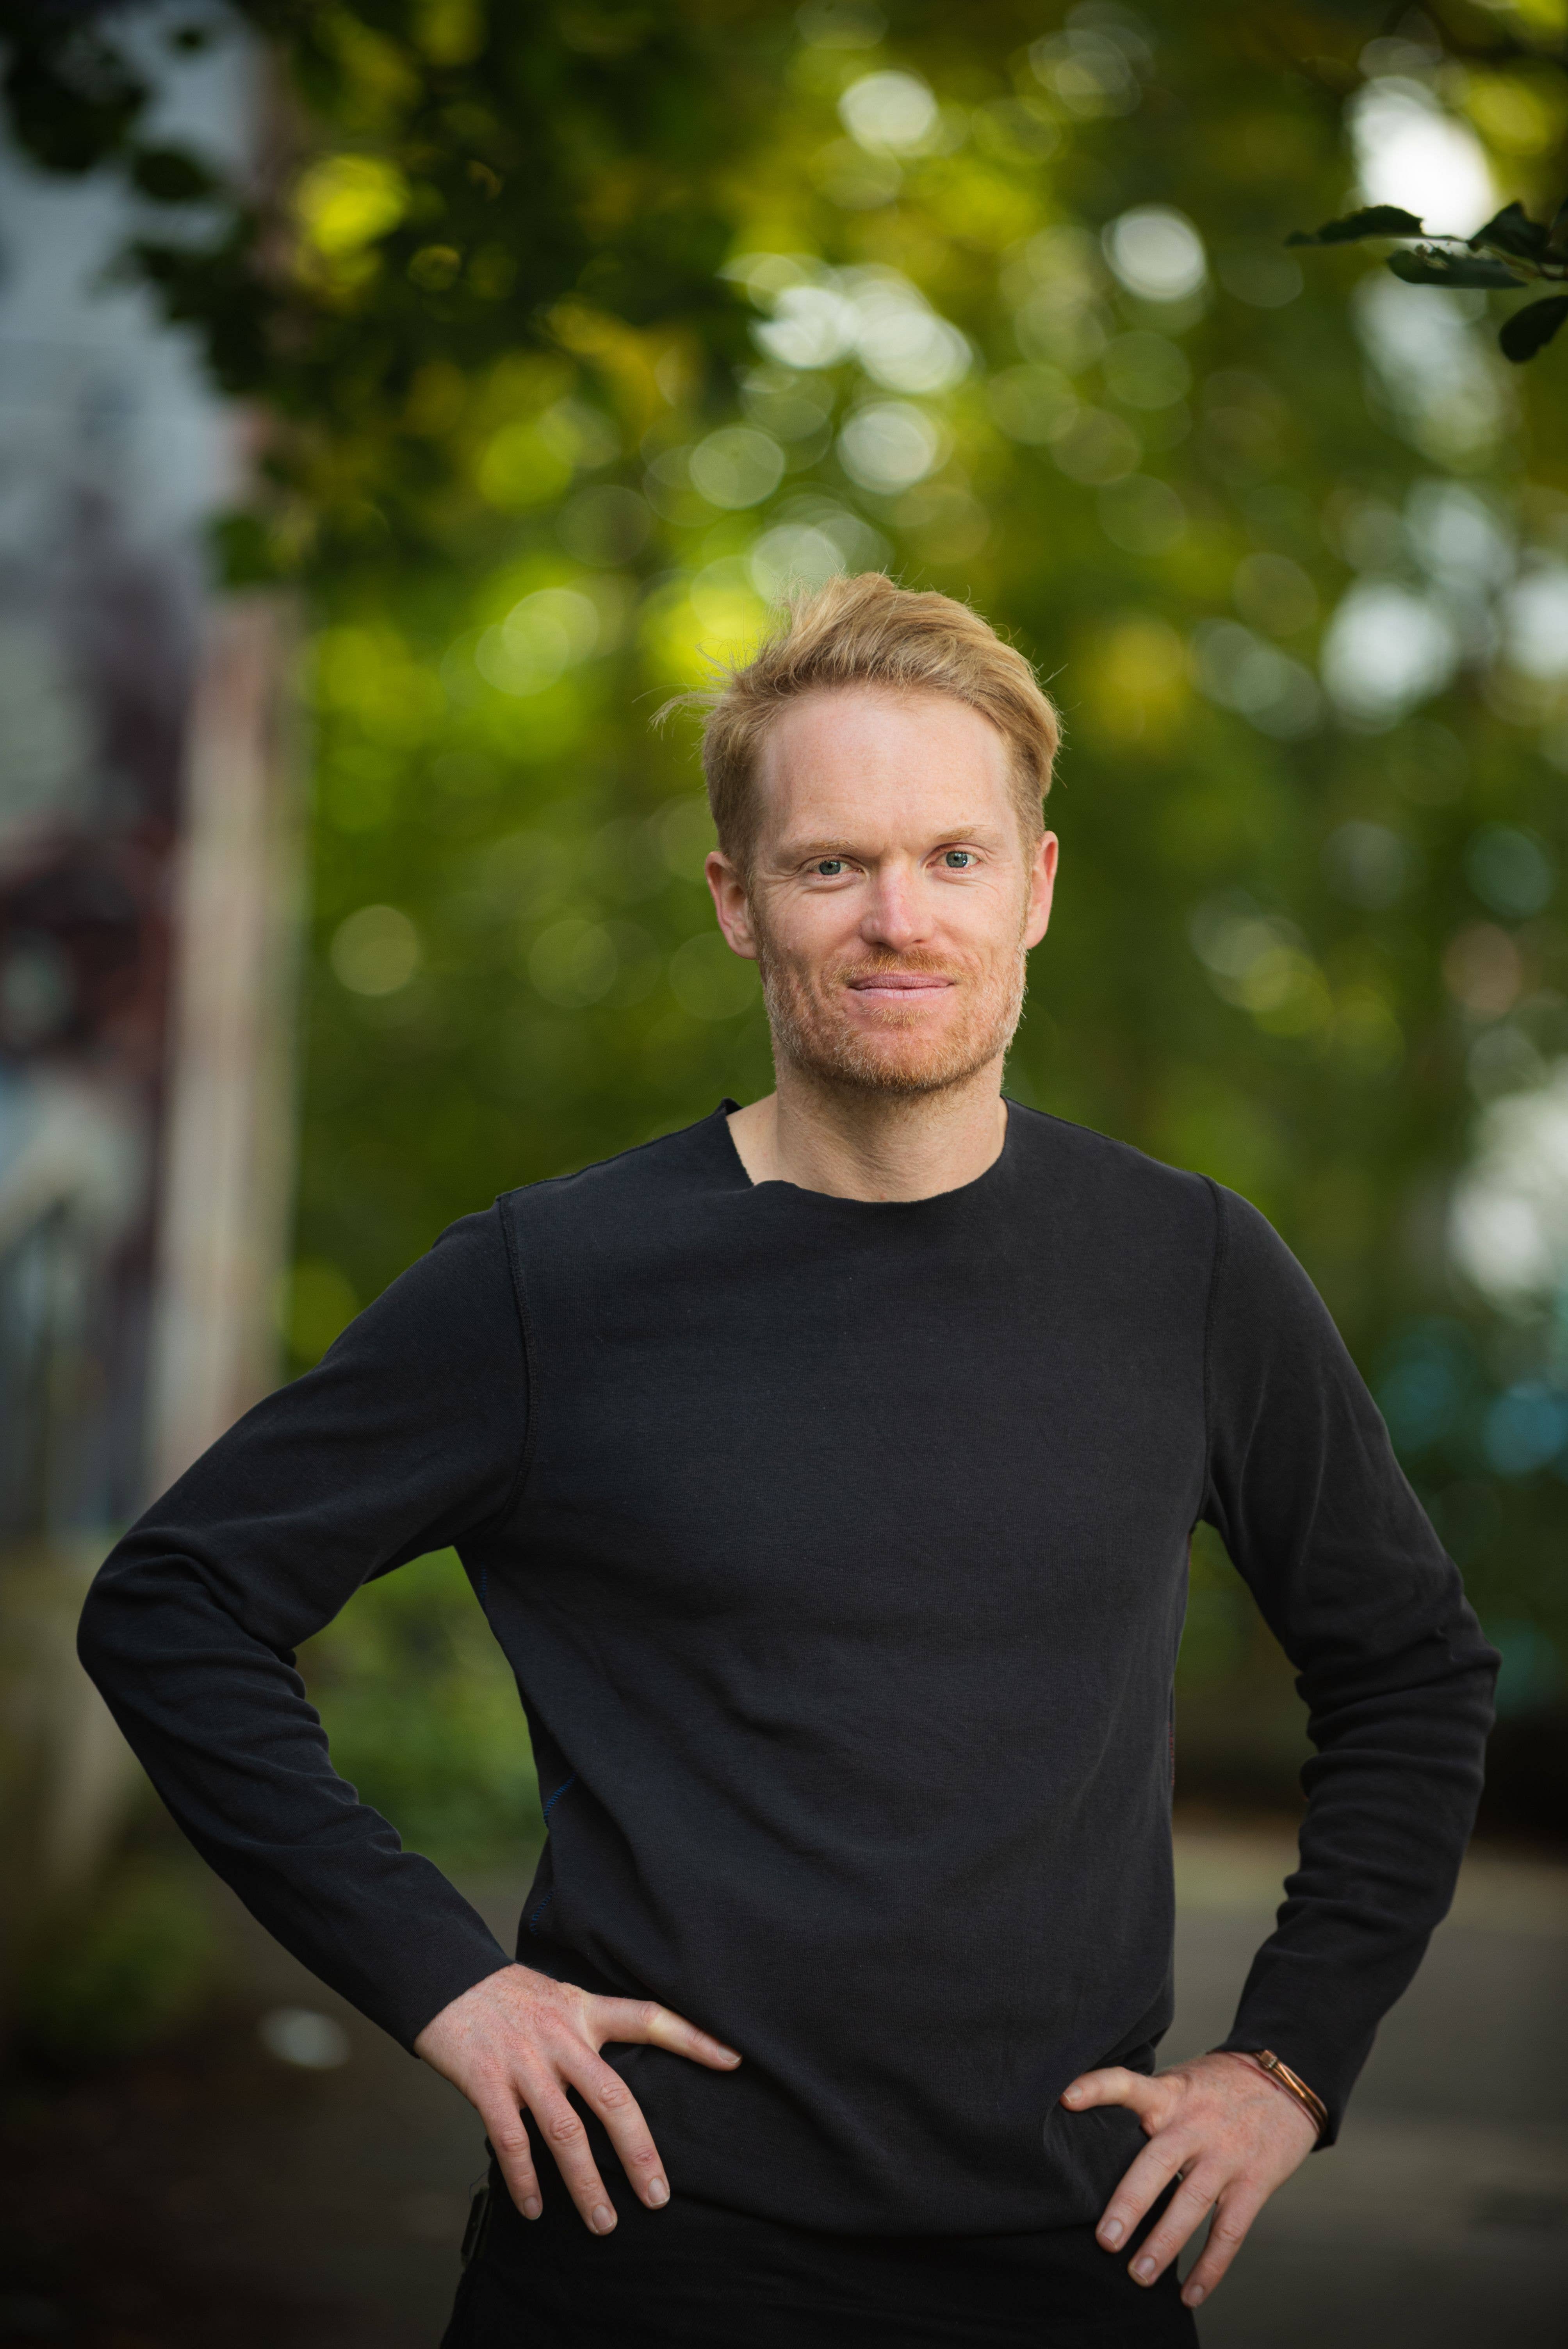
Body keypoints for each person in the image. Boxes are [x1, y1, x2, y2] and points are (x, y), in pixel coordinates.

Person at [79, 574, 1497, 2346]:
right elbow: (175, 1601)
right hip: (641, 2256)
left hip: (1067, 2265)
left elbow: (1410, 1672)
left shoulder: (1189, 1272)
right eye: (832, 865)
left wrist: (1287, 2062)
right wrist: (448, 1984)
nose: (898, 918)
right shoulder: (550, 1285)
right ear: (736, 904)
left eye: (953, 858)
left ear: (1035, 887)